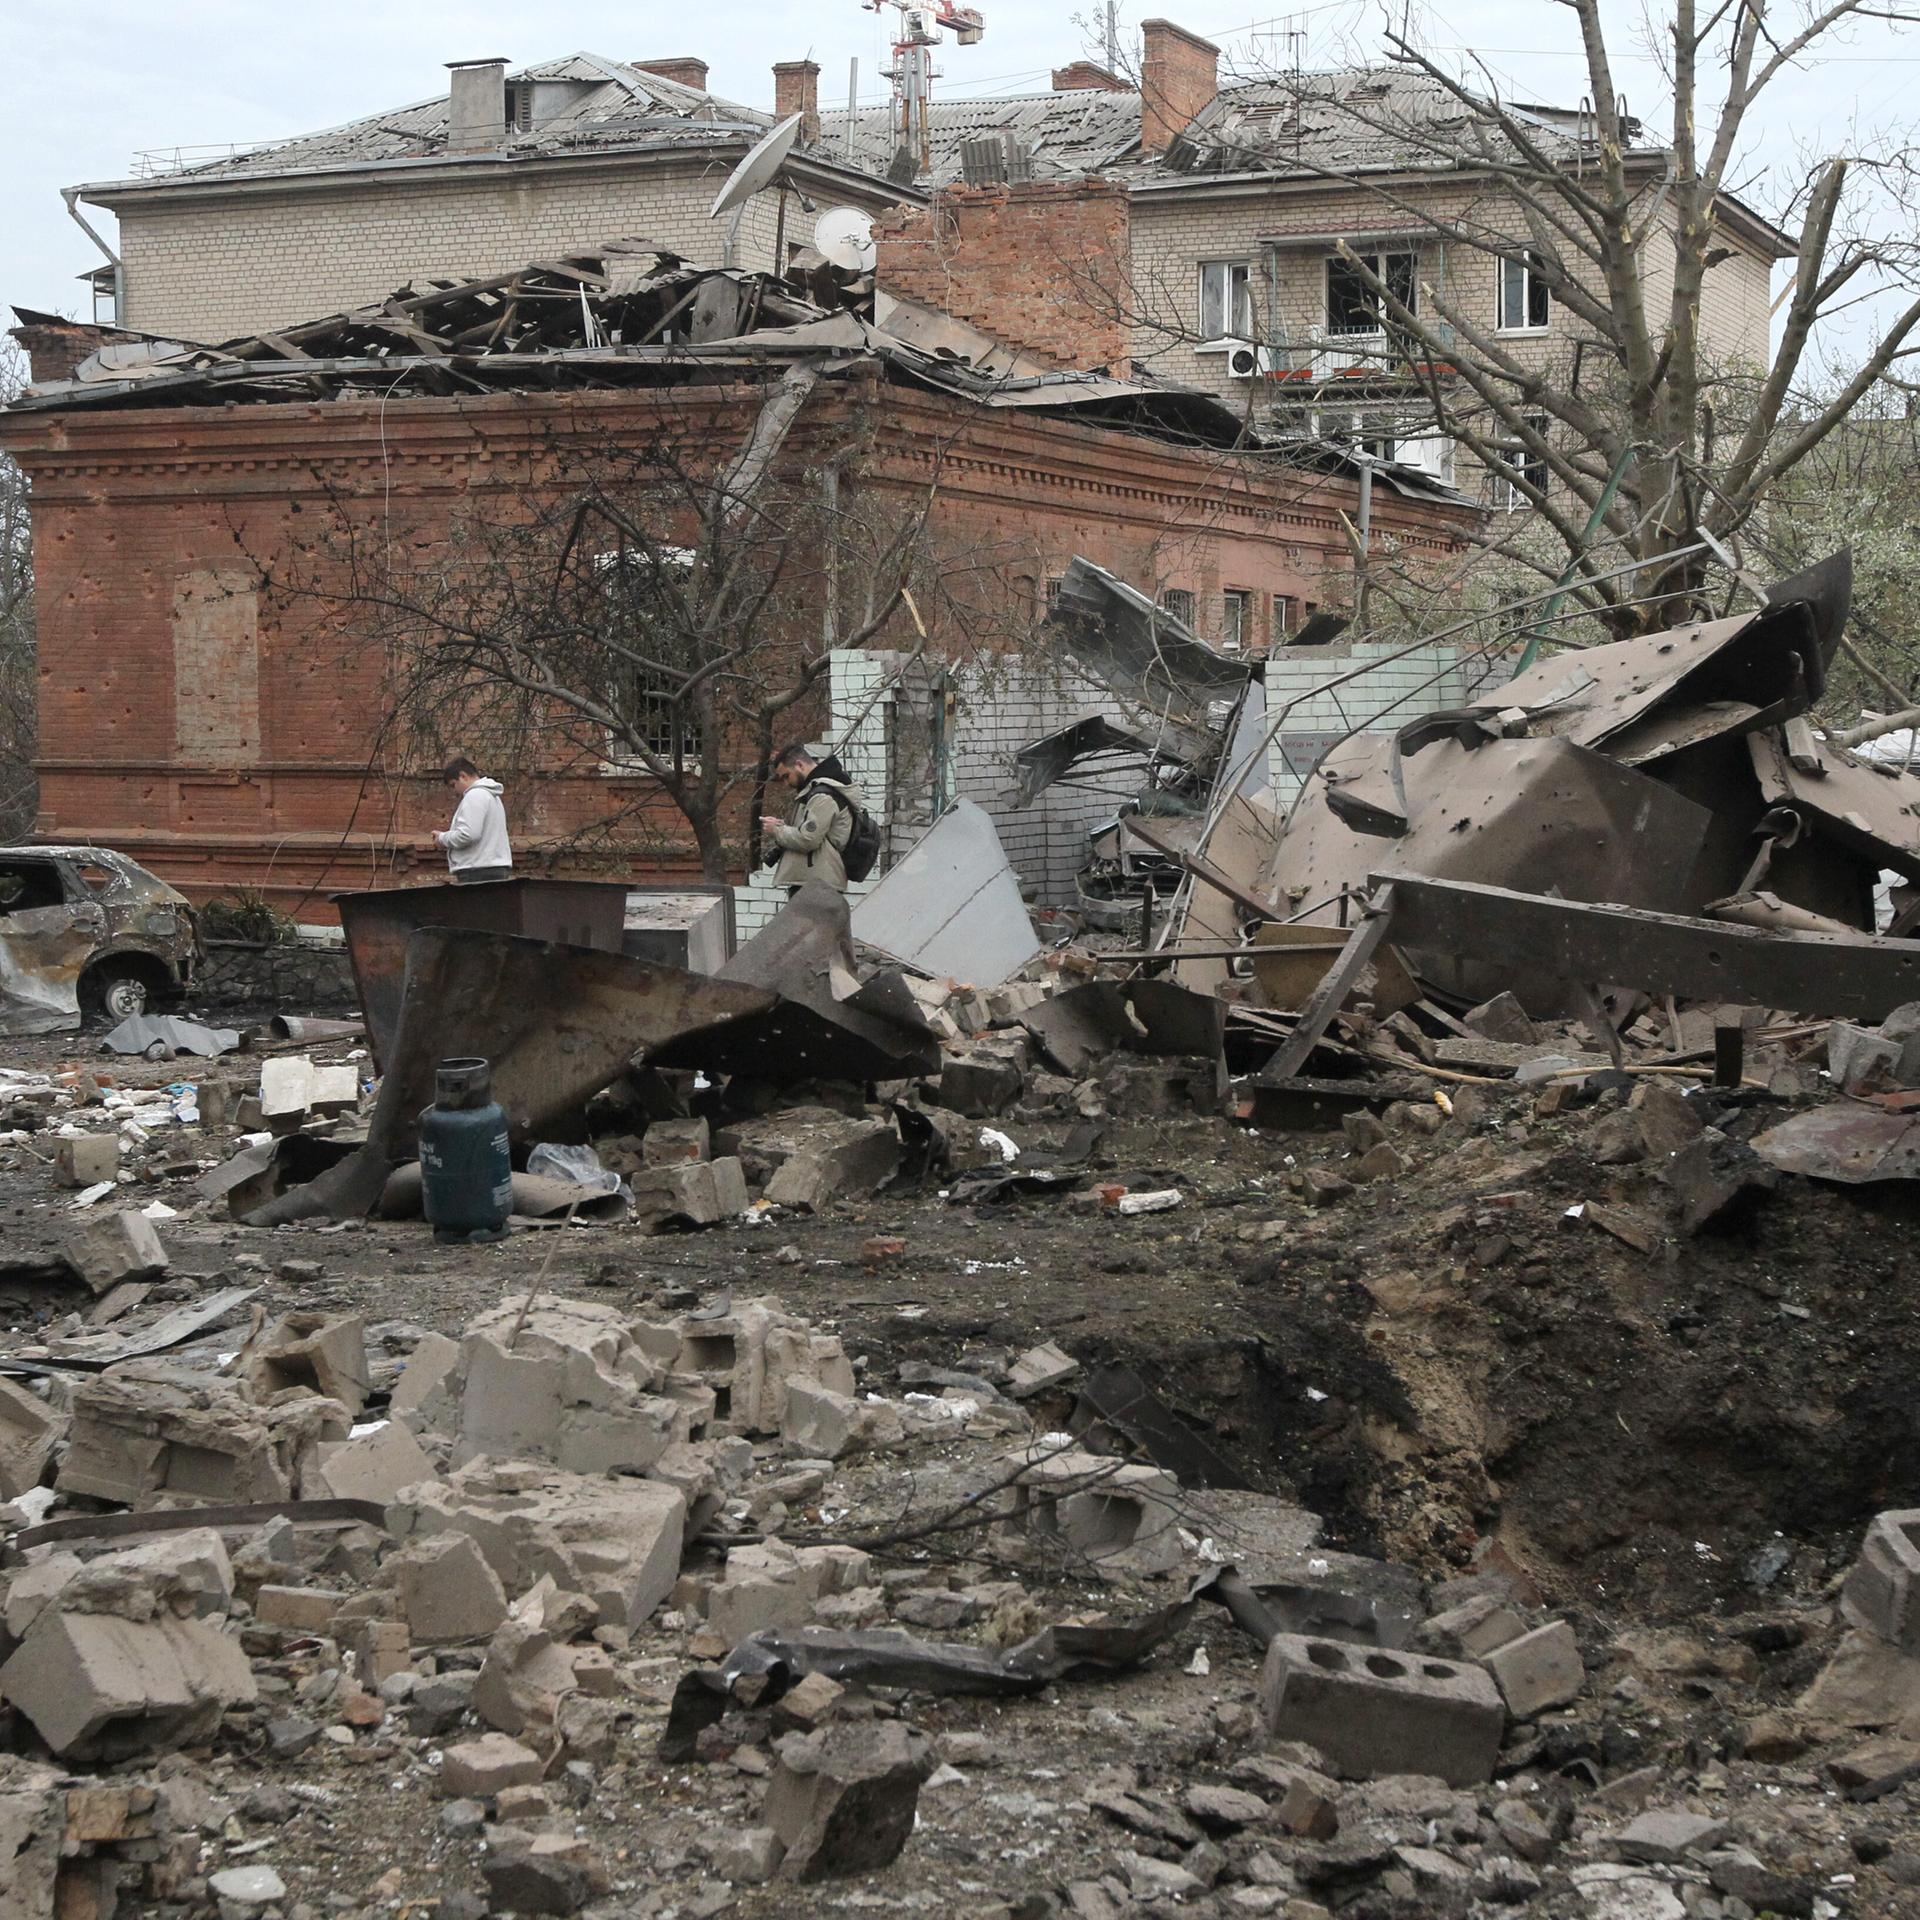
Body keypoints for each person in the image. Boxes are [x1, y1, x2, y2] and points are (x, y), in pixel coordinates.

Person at [760, 741, 861, 896]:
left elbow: (808, 839)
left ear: (799, 765)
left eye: (787, 776)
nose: (787, 783)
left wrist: (777, 830)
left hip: (818, 885)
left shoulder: (822, 796)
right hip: (815, 882)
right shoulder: (814, 791)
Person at [434, 757, 513, 883]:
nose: (455, 791)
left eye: (453, 785)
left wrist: (442, 838)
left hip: (477, 870)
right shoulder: (491, 795)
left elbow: (468, 834)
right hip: (491, 867)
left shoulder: (475, 796)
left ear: (463, 776)